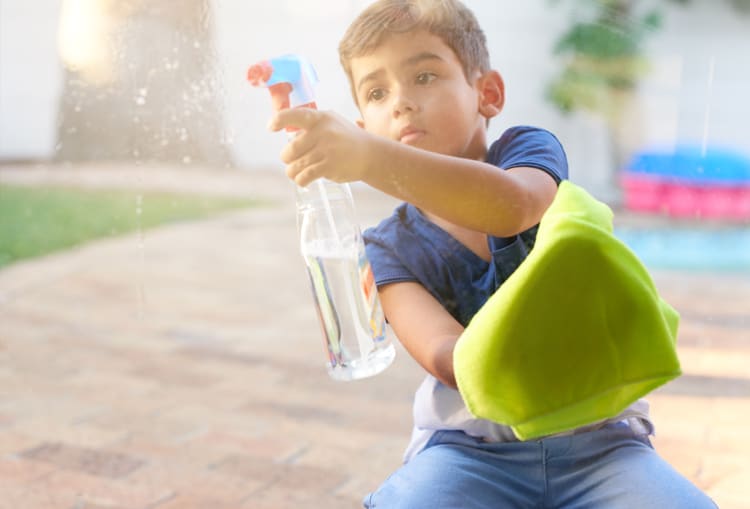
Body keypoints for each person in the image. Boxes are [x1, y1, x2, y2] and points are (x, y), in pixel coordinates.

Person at [269, 1, 717, 507]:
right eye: (377, 91)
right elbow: (444, 355)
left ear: (488, 93)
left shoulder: (528, 154)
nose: (401, 102)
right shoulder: (387, 249)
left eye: (424, 75)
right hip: (469, 452)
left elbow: (514, 206)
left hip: (604, 444)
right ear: (363, 126)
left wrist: (370, 159)